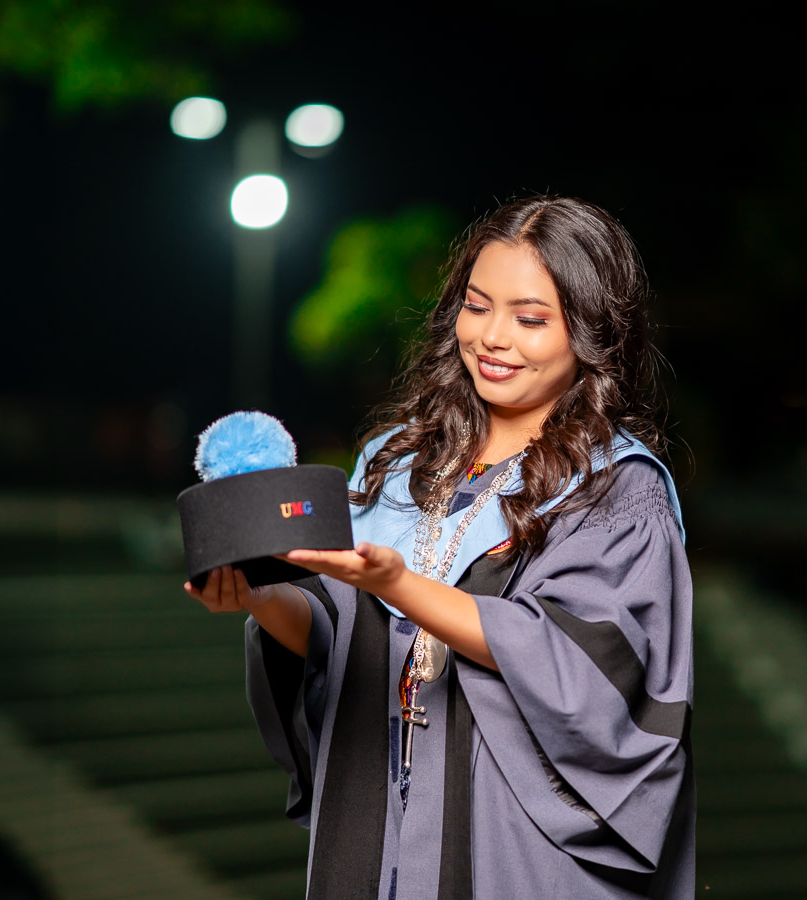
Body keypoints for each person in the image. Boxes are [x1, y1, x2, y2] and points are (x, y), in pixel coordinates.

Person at [186, 196, 694, 898]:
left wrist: (399, 585)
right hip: (380, 818)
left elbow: (589, 678)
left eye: (530, 318)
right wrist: (261, 596)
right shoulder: (396, 465)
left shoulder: (613, 491)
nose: (493, 337)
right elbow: (335, 636)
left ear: (591, 332)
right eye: (477, 306)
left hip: (512, 840)